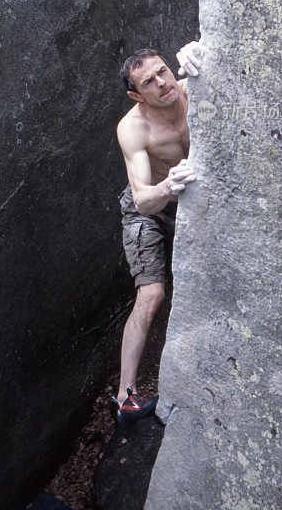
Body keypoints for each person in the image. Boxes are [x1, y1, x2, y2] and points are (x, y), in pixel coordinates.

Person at [111, 41, 203, 427]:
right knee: (152, 293)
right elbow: (142, 198)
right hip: (149, 207)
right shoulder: (133, 128)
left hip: (191, 203)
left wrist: (200, 50)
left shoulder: (189, 87)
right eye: (149, 81)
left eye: (163, 70)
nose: (163, 83)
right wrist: (167, 187)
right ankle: (125, 399)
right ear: (136, 94)